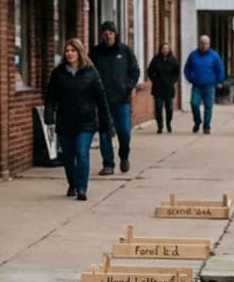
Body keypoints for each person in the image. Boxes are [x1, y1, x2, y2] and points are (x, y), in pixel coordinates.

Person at [45, 38, 112, 201]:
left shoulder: (91, 72)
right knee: (68, 157)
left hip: (86, 121)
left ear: (80, 52)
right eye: (67, 51)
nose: (70, 54)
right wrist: (49, 119)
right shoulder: (58, 73)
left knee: (82, 153)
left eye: (73, 50)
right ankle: (73, 184)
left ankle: (82, 188)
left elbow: (101, 99)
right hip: (65, 121)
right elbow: (51, 98)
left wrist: (106, 122)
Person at [90, 21, 139, 174]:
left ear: (115, 34)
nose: (108, 36)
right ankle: (108, 164)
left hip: (122, 99)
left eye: (110, 33)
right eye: (105, 33)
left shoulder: (125, 51)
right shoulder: (95, 53)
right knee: (105, 132)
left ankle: (124, 156)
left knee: (124, 130)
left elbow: (135, 71)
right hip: (103, 100)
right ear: (101, 35)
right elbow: (89, 72)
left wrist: (128, 87)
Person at [184, 34, 226, 134]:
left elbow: (219, 69)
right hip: (197, 85)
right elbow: (187, 68)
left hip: (209, 85)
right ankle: (197, 121)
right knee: (194, 104)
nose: (204, 46)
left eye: (206, 44)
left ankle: (206, 127)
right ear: (199, 44)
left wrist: (219, 81)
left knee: (208, 106)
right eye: (202, 43)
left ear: (209, 44)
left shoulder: (214, 56)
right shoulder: (193, 55)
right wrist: (190, 78)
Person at [147, 42, 181, 134]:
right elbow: (150, 71)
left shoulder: (173, 60)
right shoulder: (156, 59)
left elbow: (176, 73)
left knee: (169, 108)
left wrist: (172, 81)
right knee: (158, 107)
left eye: (167, 48)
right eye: (163, 48)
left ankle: (168, 123)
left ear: (169, 49)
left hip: (169, 87)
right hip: (158, 87)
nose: (165, 50)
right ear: (160, 49)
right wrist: (154, 79)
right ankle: (160, 126)